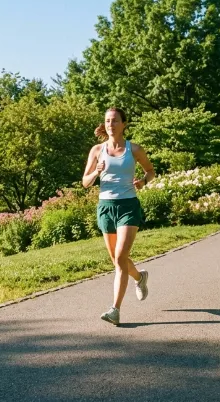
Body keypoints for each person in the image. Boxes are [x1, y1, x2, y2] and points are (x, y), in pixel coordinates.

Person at [82, 107, 155, 326]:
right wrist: (97, 171)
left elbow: (150, 171)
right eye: (107, 121)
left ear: (124, 124)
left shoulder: (134, 149)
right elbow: (85, 182)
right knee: (117, 261)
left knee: (121, 257)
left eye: (115, 121)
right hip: (105, 207)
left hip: (128, 206)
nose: (111, 124)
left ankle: (115, 310)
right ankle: (140, 277)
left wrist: (143, 182)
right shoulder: (97, 150)